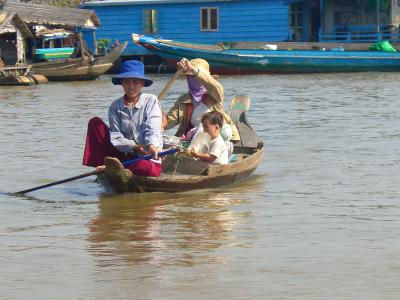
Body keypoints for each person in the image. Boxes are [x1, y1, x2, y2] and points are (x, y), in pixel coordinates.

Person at [82, 60, 163, 177]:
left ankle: (111, 168)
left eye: (135, 82)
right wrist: (134, 147)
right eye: (127, 82)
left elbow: (152, 128)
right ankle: (106, 165)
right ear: (122, 83)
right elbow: (116, 137)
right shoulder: (115, 106)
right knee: (95, 123)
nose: (131, 87)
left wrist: (151, 146)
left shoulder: (151, 100)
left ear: (142, 84)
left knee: (144, 168)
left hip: (147, 156)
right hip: (125, 154)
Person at [162, 58, 240, 142]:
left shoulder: (214, 95)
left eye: (196, 77)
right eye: (190, 76)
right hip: (195, 140)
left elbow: (216, 87)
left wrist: (193, 70)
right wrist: (155, 110)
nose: (193, 79)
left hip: (218, 139)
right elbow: (168, 122)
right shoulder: (183, 100)